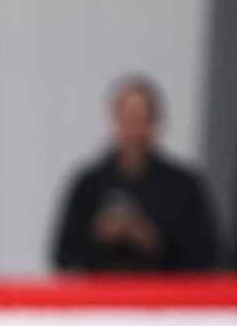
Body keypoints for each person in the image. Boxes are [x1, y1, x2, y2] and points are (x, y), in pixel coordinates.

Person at [51, 76, 221, 272]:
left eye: (141, 117)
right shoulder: (89, 184)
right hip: (105, 286)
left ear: (154, 121)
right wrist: (97, 235)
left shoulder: (184, 186)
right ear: (116, 119)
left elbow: (205, 255)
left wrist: (153, 239)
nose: (133, 127)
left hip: (162, 286)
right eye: (127, 117)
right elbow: (64, 255)